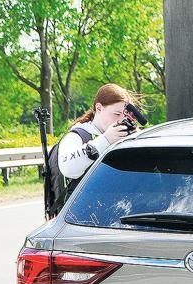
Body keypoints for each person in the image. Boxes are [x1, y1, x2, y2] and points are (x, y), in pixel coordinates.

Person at [44, 83, 140, 218]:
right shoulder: (77, 135)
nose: (120, 120)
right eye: (116, 114)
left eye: (124, 115)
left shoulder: (121, 136)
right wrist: (106, 140)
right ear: (98, 108)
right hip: (79, 218)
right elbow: (69, 169)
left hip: (115, 214)